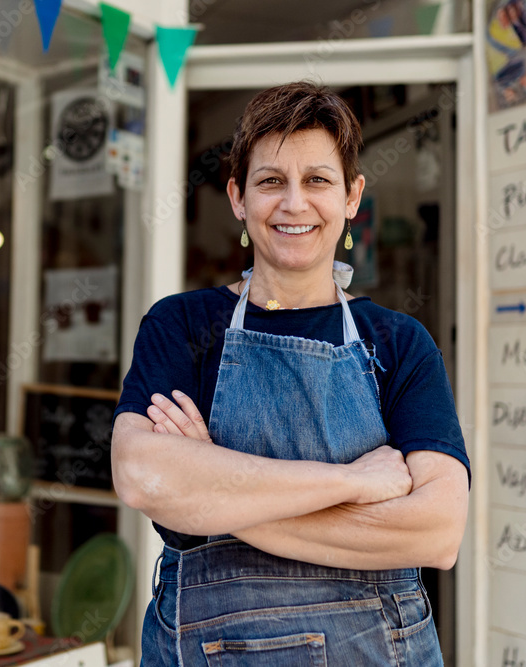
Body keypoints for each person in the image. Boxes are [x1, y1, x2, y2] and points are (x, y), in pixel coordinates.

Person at [111, 81, 470, 666]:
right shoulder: (182, 326)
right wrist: (351, 483)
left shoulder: (400, 344)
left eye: (318, 181)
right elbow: (141, 477)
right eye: (271, 181)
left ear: (352, 197)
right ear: (238, 197)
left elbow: (437, 532)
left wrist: (212, 495)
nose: (294, 203)